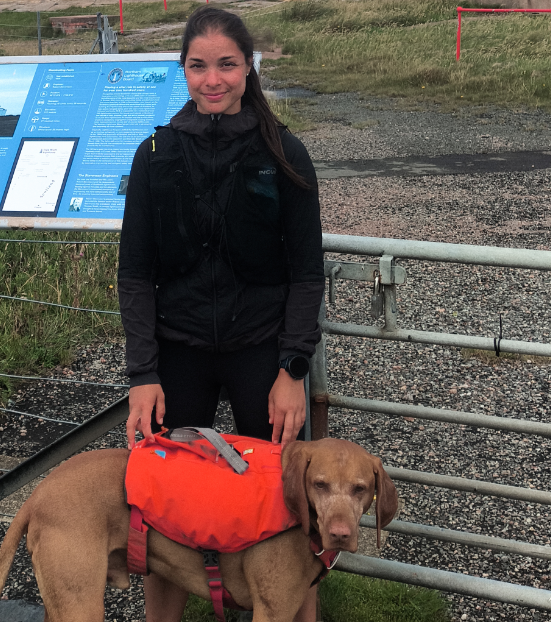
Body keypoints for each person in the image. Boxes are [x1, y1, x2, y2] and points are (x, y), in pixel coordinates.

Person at [117, 6, 325, 621]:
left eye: (227, 65)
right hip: (175, 355)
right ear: (182, 70)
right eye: (198, 66)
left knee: (288, 505)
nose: (213, 79)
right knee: (164, 509)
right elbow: (135, 274)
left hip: (262, 353)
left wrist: (293, 369)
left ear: (247, 68)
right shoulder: (154, 154)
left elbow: (306, 274)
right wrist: (142, 374)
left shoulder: (283, 153)